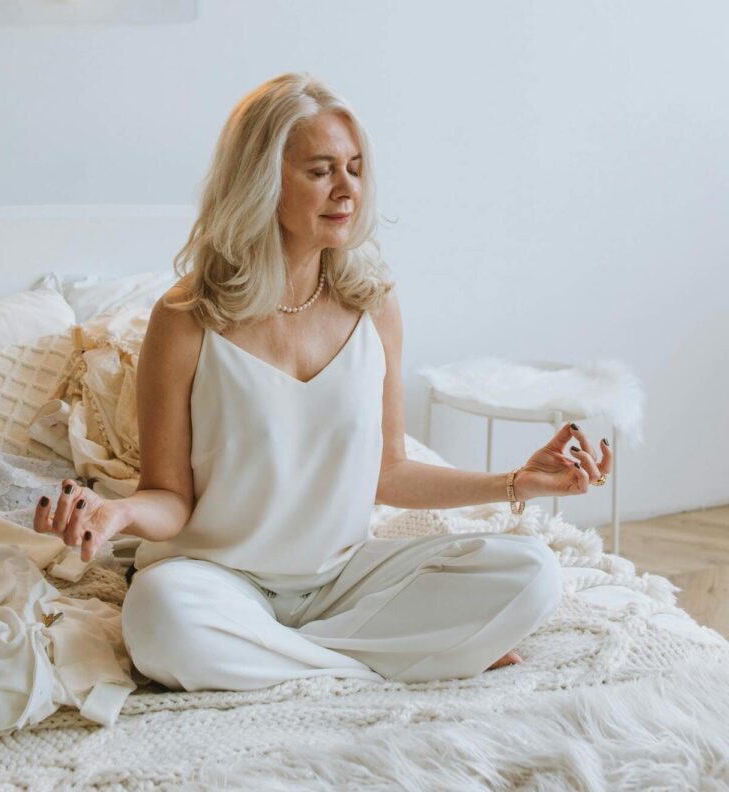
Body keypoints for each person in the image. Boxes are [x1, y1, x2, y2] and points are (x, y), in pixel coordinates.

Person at [32, 72, 614, 690]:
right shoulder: (185, 319)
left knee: (532, 573)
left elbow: (389, 471)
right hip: (220, 579)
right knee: (159, 620)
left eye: (355, 168)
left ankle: (283, 656)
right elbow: (171, 500)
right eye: (320, 171)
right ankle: (392, 658)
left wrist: (517, 482)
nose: (347, 190)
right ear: (263, 181)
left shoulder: (374, 304)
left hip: (343, 577)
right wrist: (117, 514)